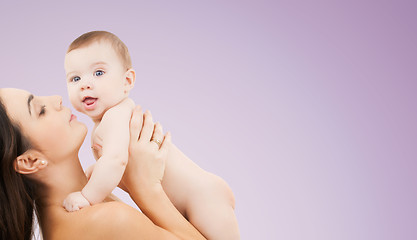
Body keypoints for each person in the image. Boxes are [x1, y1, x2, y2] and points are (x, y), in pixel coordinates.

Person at [64, 31, 240, 239]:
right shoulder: (112, 118)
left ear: (127, 81)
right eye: (75, 78)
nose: (85, 83)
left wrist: (87, 196)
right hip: (196, 197)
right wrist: (96, 169)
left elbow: (116, 161)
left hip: (203, 198)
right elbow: (119, 161)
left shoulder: (115, 116)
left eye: (99, 73)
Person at [0, 88, 207, 240]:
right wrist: (145, 188)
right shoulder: (108, 220)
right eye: (41, 110)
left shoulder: (72, 215)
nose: (56, 99)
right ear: (30, 161)